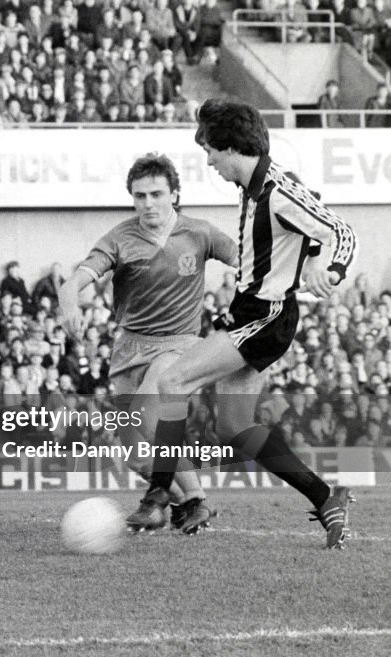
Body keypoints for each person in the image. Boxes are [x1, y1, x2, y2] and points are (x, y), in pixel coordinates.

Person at [133, 100, 358, 550]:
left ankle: (158, 495)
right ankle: (326, 497)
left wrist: (328, 269)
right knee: (234, 428)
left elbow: (340, 230)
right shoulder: (257, 188)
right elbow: (310, 227)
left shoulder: (275, 190)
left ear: (232, 147)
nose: (210, 162)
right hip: (248, 312)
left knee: (173, 382)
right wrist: (311, 254)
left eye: (211, 152)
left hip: (268, 315)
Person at [58, 152, 237, 534]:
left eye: (156, 194)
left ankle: (190, 501)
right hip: (129, 349)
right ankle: (189, 502)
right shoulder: (121, 238)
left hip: (180, 344)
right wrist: (70, 301)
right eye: (139, 196)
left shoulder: (200, 233)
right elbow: (77, 278)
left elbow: (248, 259)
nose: (147, 203)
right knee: (137, 456)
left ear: (174, 193)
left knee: (146, 412)